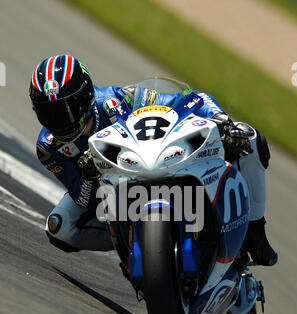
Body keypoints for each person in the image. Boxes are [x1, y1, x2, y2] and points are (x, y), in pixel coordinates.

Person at [29, 54, 277, 266]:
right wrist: (90, 173)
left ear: (84, 98)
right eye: (48, 113)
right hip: (108, 191)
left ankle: (256, 231)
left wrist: (221, 121)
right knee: (59, 227)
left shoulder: (117, 101)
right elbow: (83, 198)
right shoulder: (49, 147)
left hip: (152, 164)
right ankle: (132, 244)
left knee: (249, 136)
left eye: (65, 110)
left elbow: (186, 100)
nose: (58, 121)